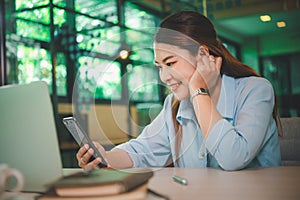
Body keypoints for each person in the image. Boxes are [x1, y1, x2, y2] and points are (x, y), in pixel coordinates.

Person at [76, 11, 282, 171]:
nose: (163, 77)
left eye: (170, 63)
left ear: (202, 54)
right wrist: (104, 158)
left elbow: (233, 158)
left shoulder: (255, 90)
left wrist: (199, 90)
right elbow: (143, 150)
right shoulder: (174, 105)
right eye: (159, 66)